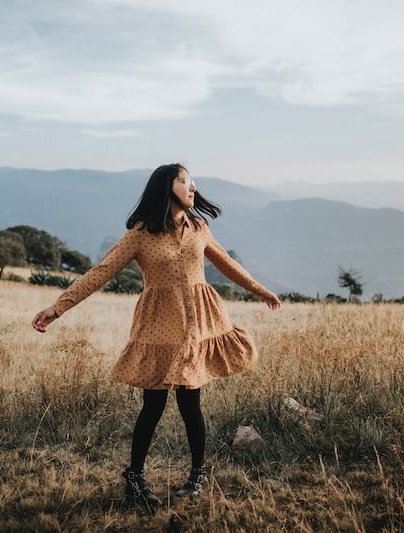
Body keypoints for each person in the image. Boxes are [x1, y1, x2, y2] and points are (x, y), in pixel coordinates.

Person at [31, 163, 281, 507]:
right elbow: (101, 272)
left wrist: (262, 290)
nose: (193, 187)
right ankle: (134, 477)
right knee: (153, 404)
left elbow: (225, 263)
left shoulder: (198, 226)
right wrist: (57, 308)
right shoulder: (140, 234)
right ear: (167, 188)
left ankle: (197, 473)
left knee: (191, 403)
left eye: (192, 182)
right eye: (185, 182)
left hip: (197, 324)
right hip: (159, 327)